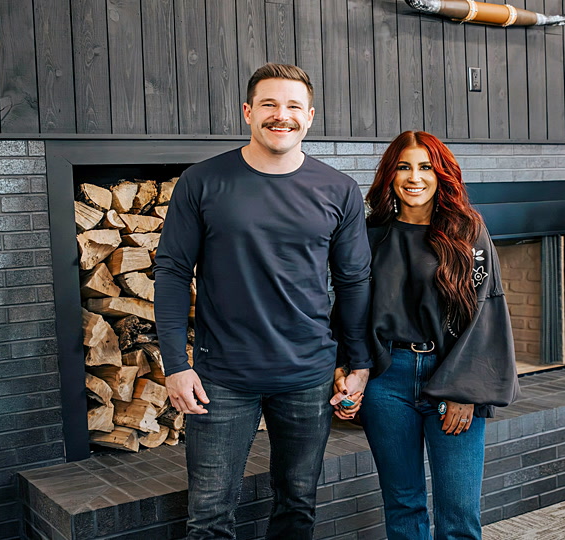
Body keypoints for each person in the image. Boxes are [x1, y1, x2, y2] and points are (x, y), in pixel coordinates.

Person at [154, 63, 371, 539]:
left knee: (297, 505)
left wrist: (358, 362)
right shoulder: (202, 181)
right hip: (221, 378)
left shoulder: (338, 189)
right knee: (209, 517)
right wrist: (175, 365)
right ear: (248, 112)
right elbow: (171, 273)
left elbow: (354, 281)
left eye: (293, 106)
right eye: (269, 104)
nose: (281, 115)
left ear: (309, 116)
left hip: (308, 376)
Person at [333, 131, 520, 540]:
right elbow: (351, 308)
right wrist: (347, 365)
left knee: (459, 514)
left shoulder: (468, 232)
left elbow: (486, 310)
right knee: (403, 505)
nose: (414, 177)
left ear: (441, 175)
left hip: (451, 377)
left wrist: (465, 391)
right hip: (387, 381)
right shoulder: (370, 233)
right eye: (404, 167)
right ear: (390, 174)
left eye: (425, 167)